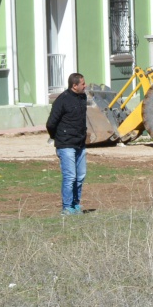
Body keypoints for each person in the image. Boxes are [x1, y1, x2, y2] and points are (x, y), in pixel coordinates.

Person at [46, 72, 89, 214]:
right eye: (82, 84)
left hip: (80, 144)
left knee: (80, 176)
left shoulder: (83, 97)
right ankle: (67, 207)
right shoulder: (62, 100)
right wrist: (57, 138)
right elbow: (51, 123)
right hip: (66, 145)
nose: (85, 86)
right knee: (70, 176)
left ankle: (76, 205)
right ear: (74, 85)